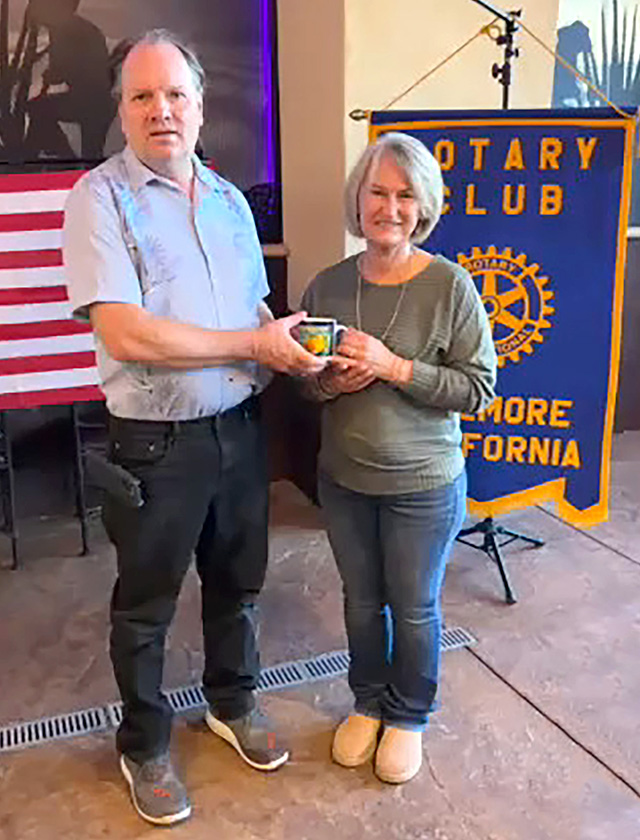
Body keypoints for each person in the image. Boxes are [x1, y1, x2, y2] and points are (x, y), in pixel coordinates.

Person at [63, 29, 325, 826]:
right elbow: (126, 333)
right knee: (144, 606)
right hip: (155, 444)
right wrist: (254, 342)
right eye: (142, 96)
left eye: (176, 94)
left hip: (241, 429)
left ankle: (232, 703)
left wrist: (294, 347)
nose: (161, 110)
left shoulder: (230, 202)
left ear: (201, 107)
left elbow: (252, 314)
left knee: (238, 586)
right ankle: (143, 744)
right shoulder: (97, 200)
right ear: (121, 109)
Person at [300, 132, 497, 784]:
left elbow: (478, 390)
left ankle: (410, 713)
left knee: (413, 607)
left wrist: (395, 367)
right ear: (358, 199)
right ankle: (366, 701)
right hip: (344, 481)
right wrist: (331, 382)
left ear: (425, 205)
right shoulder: (327, 286)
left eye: (406, 195)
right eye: (378, 192)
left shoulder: (450, 286)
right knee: (360, 603)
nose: (390, 207)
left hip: (424, 486)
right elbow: (306, 381)